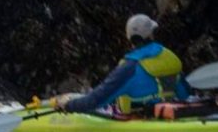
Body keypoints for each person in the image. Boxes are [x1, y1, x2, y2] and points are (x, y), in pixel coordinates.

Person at [54, 14, 191, 114]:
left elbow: (94, 102)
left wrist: (68, 106)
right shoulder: (169, 58)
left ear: (129, 38)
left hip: (140, 130)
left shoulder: (129, 69)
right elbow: (184, 95)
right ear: (151, 34)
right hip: (170, 115)